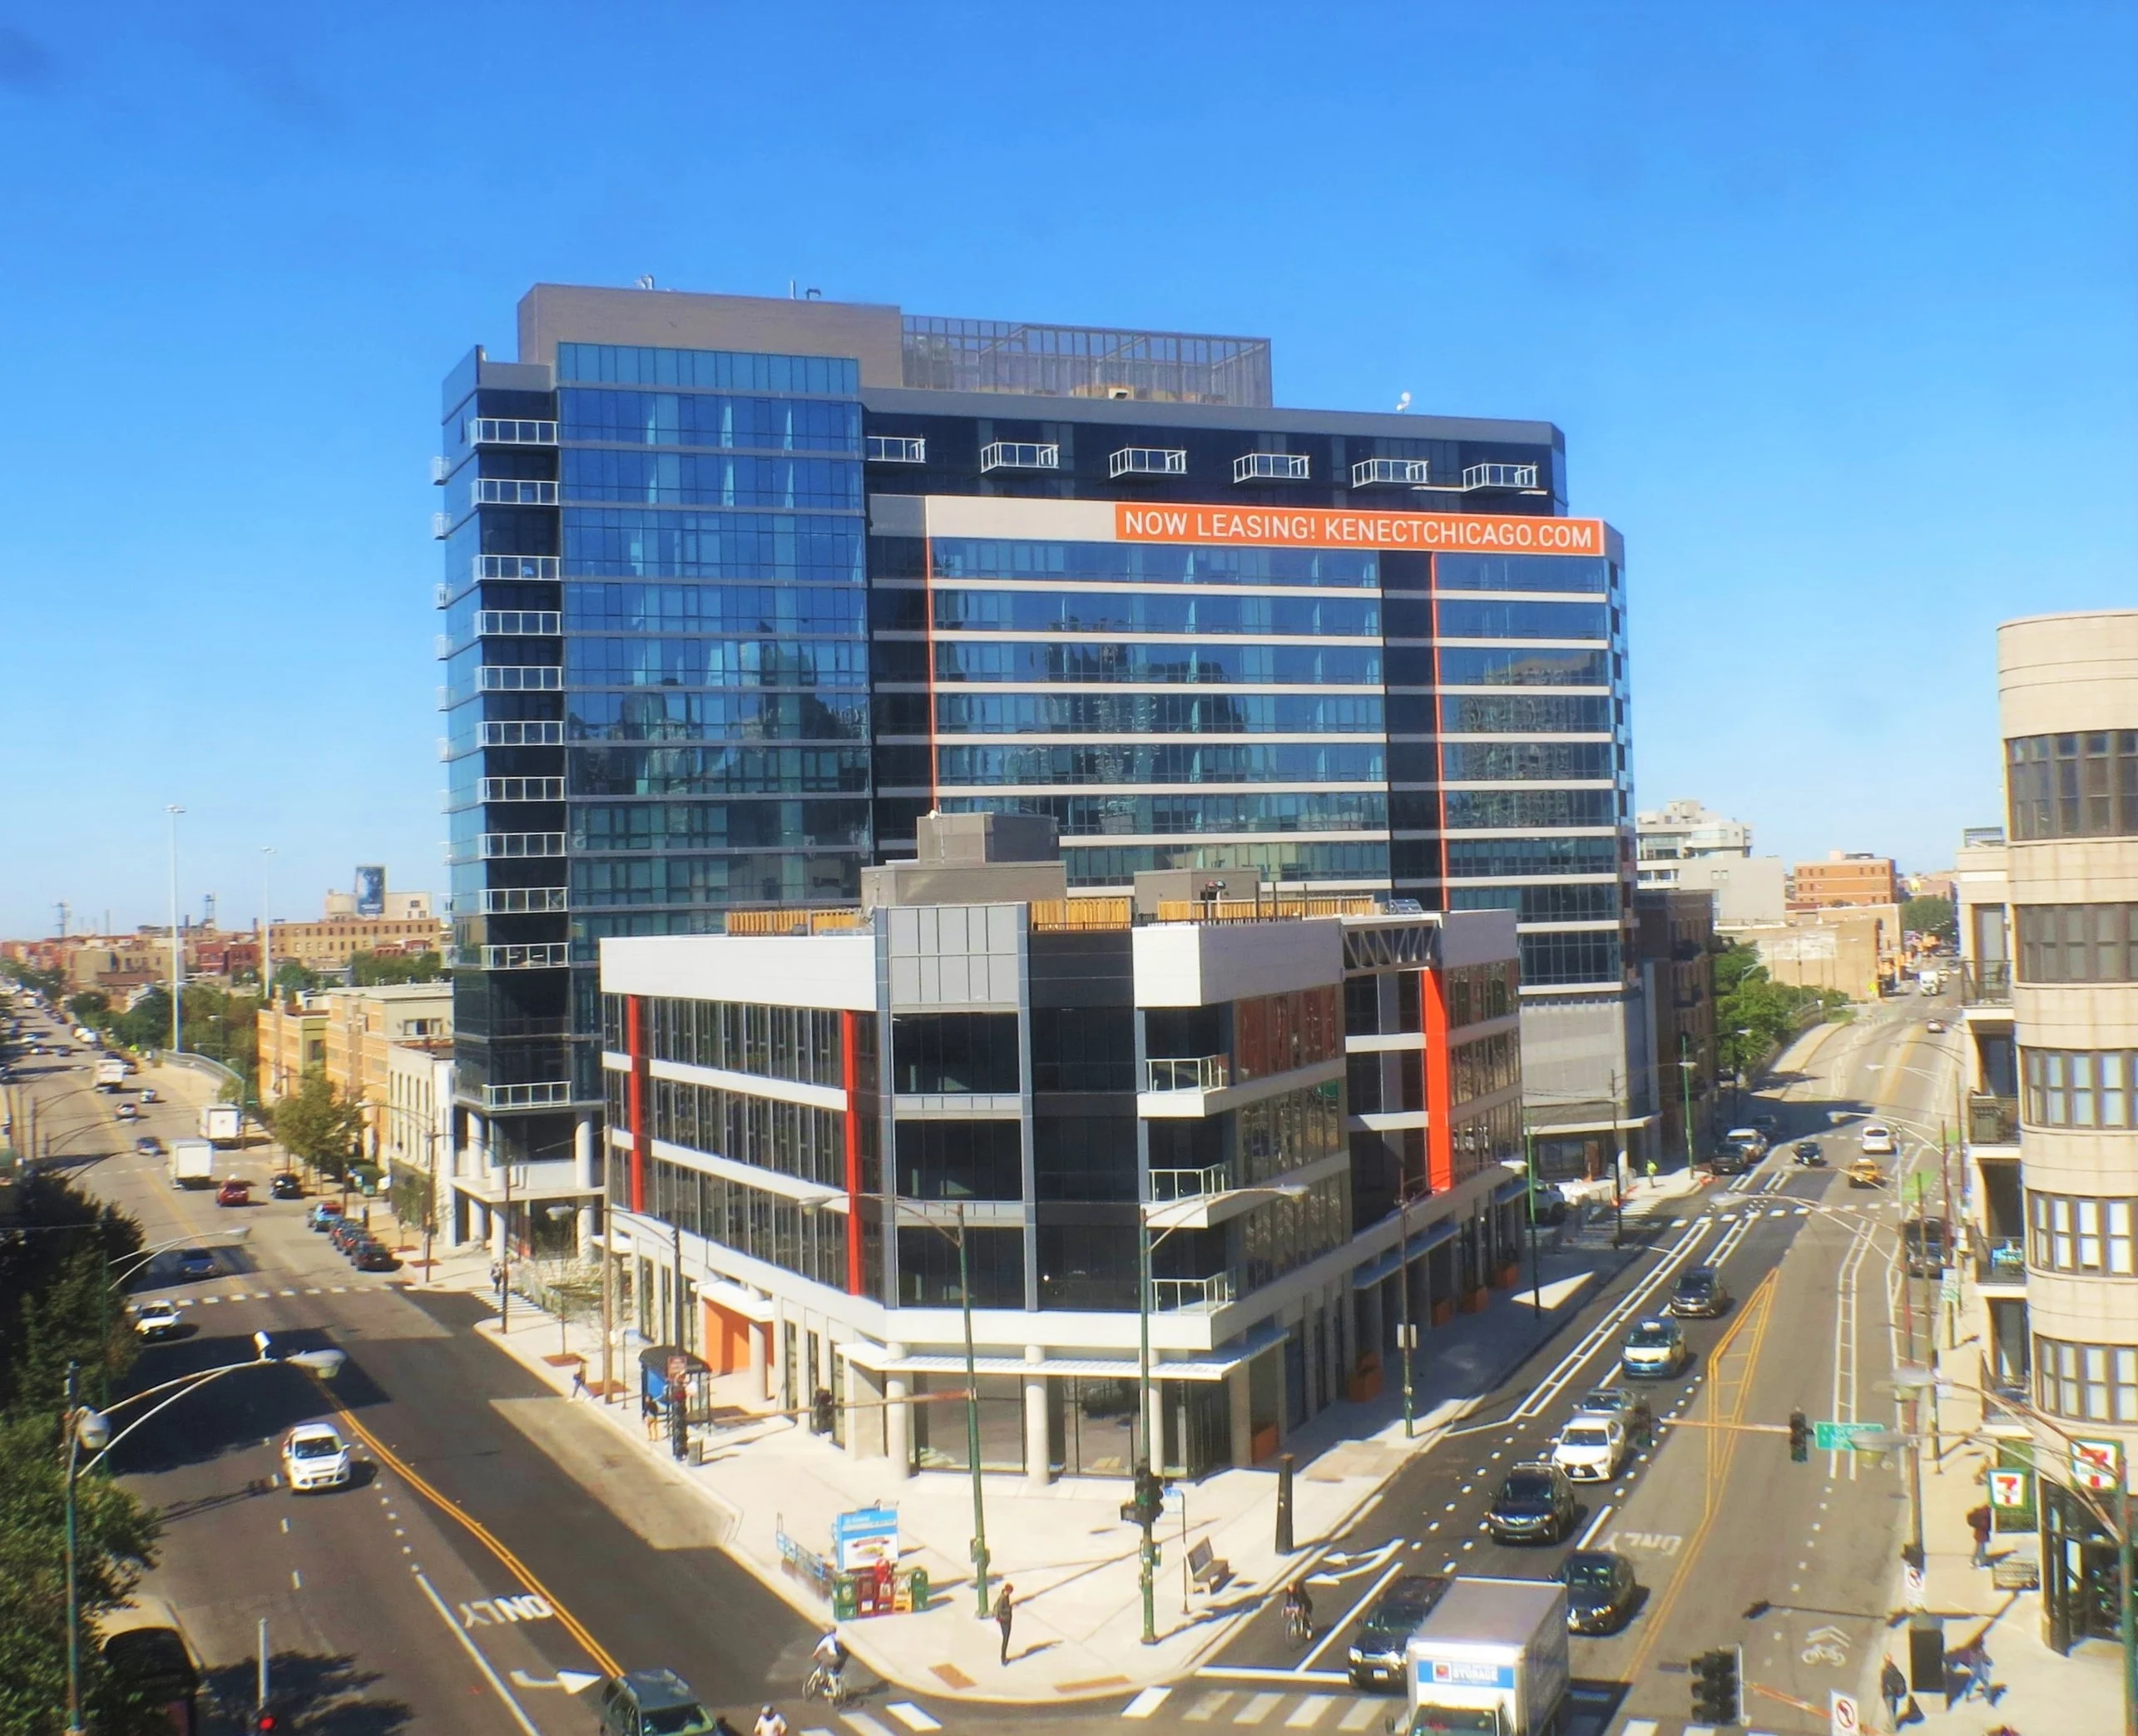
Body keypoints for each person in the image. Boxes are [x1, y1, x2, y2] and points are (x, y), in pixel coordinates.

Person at [811, 1630, 847, 1699]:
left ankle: (824, 1681)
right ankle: (834, 1683)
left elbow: (819, 1649)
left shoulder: (827, 1639)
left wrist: (814, 1655)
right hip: (841, 1658)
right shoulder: (837, 1638)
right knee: (835, 1671)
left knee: (823, 1664)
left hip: (834, 1658)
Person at [1880, 1655, 1908, 1726]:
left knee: (1891, 1712)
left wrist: (1886, 1690)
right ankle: (1892, 1726)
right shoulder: (1893, 1669)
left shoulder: (1887, 1670)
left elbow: (1886, 1682)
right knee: (1892, 1711)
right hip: (1892, 1693)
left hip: (1889, 1693)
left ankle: (1892, 1728)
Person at [994, 1582, 1014, 1665]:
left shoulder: (1006, 1597)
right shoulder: (1002, 1599)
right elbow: (1000, 1609)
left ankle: (1004, 1656)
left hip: (1007, 1619)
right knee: (1005, 1638)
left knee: (1006, 1638)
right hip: (1004, 1620)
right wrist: (1009, 1609)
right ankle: (1003, 1657)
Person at [1967, 1502, 1994, 1567]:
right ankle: (1982, 1563)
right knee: (1981, 1550)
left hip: (1979, 1535)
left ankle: (1973, 1561)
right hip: (1982, 1535)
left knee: (1978, 1549)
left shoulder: (1981, 1511)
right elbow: (1986, 1524)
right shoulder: (1986, 1513)